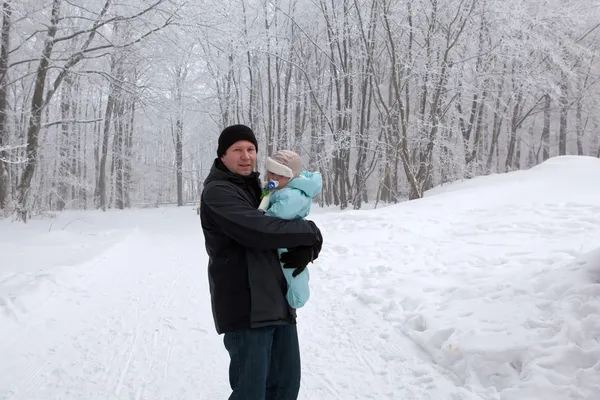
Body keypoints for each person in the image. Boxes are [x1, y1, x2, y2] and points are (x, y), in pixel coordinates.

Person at [199, 124, 323, 400]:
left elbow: (288, 221)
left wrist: (309, 248)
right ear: (222, 156)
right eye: (237, 150)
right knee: (252, 393)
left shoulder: (260, 187)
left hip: (278, 303)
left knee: (285, 389)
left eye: (251, 149)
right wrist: (312, 233)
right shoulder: (218, 192)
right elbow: (259, 230)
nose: (246, 156)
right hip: (246, 309)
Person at [258, 149, 322, 309]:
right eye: (271, 173)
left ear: (290, 176)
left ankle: (298, 298)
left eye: (278, 175)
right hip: (287, 235)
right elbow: (266, 195)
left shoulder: (292, 195)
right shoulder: (280, 187)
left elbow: (275, 216)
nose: (273, 178)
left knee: (292, 270)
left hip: (289, 241)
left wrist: (262, 214)